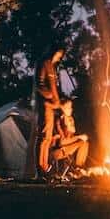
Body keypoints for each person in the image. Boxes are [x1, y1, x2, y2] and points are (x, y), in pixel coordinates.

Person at [34, 44, 65, 176]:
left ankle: (45, 167)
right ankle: (40, 168)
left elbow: (53, 87)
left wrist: (58, 102)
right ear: (54, 52)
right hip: (45, 105)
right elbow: (39, 84)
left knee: (48, 138)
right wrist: (50, 96)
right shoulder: (44, 64)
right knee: (44, 137)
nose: (60, 58)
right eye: (59, 54)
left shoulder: (52, 67)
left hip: (52, 106)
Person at [50, 99, 90, 172]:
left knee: (84, 143)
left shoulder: (70, 119)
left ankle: (79, 168)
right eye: (68, 108)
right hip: (59, 151)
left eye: (71, 107)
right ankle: (78, 169)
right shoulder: (59, 121)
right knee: (83, 143)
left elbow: (71, 137)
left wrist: (79, 137)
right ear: (62, 108)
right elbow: (62, 142)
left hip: (68, 148)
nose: (71, 109)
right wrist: (78, 137)